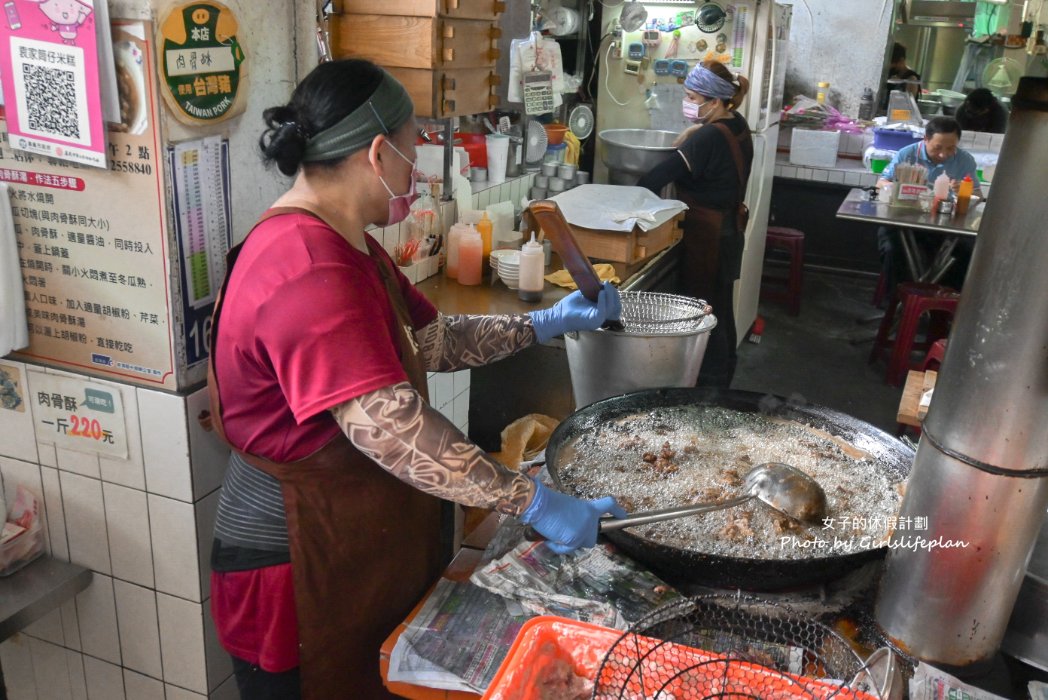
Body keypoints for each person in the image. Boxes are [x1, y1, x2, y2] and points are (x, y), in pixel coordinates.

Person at [204, 59, 626, 700]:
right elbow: (392, 432)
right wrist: (532, 501)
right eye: (414, 151)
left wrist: (544, 323)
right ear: (377, 152)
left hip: (348, 540)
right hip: (295, 566)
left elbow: (430, 340)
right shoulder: (308, 266)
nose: (418, 172)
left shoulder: (348, 243)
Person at [637, 60, 753, 389]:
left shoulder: (708, 139)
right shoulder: (736, 122)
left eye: (691, 96)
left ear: (714, 101)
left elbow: (653, 179)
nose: (687, 102)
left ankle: (707, 389)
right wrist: (696, 131)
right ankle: (723, 378)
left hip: (709, 237)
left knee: (703, 312)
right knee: (721, 310)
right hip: (729, 230)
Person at [875, 116, 981, 292]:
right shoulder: (907, 154)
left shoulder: (965, 160)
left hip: (943, 226)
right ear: (925, 139)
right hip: (903, 221)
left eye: (951, 148)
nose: (943, 154)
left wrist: (964, 189)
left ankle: (942, 309)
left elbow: (978, 195)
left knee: (966, 252)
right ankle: (895, 307)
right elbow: (881, 184)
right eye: (937, 148)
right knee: (894, 250)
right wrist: (902, 188)